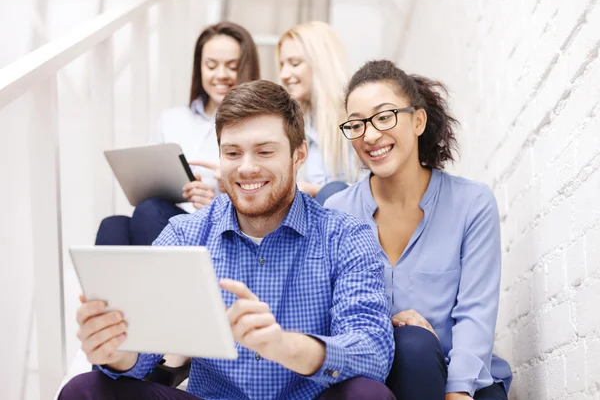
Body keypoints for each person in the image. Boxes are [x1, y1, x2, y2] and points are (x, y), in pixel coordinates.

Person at [58, 80, 396, 400]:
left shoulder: (345, 236)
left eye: (264, 152)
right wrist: (116, 351)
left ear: (299, 155)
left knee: (369, 395)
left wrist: (284, 346)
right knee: (84, 389)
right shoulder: (185, 235)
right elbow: (143, 352)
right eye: (232, 153)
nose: (246, 168)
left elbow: (372, 351)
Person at [325, 60, 513, 400]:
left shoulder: (473, 203)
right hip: (380, 380)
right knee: (411, 344)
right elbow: (333, 314)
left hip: (465, 381)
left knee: (416, 347)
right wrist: (388, 321)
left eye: (384, 117)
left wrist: (457, 392)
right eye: (356, 124)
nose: (370, 135)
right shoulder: (337, 212)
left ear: (418, 121)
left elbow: (476, 312)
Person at [95, 21, 260, 247]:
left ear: (247, 68)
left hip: (220, 230)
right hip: (165, 219)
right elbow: (146, 185)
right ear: (199, 68)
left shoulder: (259, 127)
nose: (220, 75)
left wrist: (220, 198)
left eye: (231, 66)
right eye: (211, 66)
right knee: (112, 226)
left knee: (148, 211)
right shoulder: (172, 119)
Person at [277, 21, 357, 204]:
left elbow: (376, 191)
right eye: (282, 65)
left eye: (294, 63)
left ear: (322, 63)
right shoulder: (292, 124)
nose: (284, 74)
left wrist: (317, 191)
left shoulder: (357, 120)